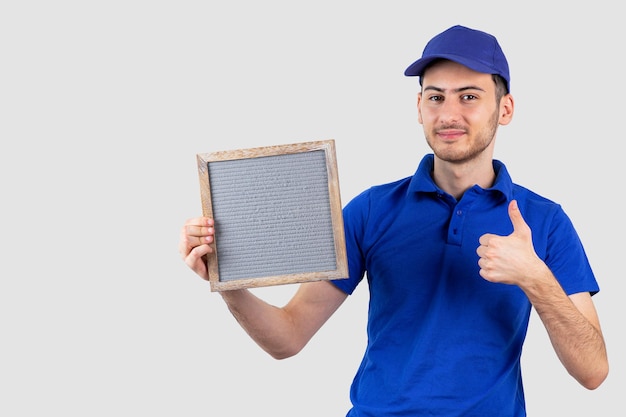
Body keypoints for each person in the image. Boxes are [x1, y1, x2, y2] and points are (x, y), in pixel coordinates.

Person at [179, 25, 608, 416]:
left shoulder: (544, 222)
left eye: (470, 96)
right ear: (419, 107)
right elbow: (288, 337)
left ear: (506, 108)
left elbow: (593, 372)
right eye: (436, 97)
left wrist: (534, 277)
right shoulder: (372, 210)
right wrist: (229, 281)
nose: (449, 114)